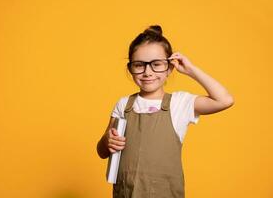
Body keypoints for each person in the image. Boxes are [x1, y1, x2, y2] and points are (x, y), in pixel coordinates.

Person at [96, 25, 234, 198]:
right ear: (130, 68)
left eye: (156, 65)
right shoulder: (123, 105)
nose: (147, 72)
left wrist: (191, 70)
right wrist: (108, 140)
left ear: (169, 68)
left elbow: (225, 100)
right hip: (126, 193)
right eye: (139, 65)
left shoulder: (179, 103)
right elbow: (102, 151)